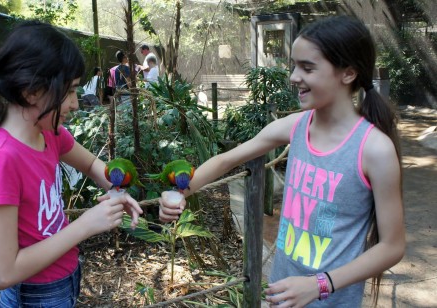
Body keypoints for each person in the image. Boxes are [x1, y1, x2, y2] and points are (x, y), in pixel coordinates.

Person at [158, 15, 405, 307]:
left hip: (330, 300)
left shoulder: (374, 149)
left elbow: (392, 246)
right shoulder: (296, 126)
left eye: (307, 67)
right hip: (282, 293)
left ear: (348, 73)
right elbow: (227, 159)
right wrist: (180, 191)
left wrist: (319, 285)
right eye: (294, 65)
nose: (293, 76)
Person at [0, 21, 143, 307]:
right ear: (31, 91)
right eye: (69, 91)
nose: (75, 103)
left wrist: (116, 189)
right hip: (34, 295)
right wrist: (85, 225)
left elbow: (92, 165)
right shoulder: (0, 158)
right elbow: (2, 272)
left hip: (65, 277)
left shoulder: (49, 133)